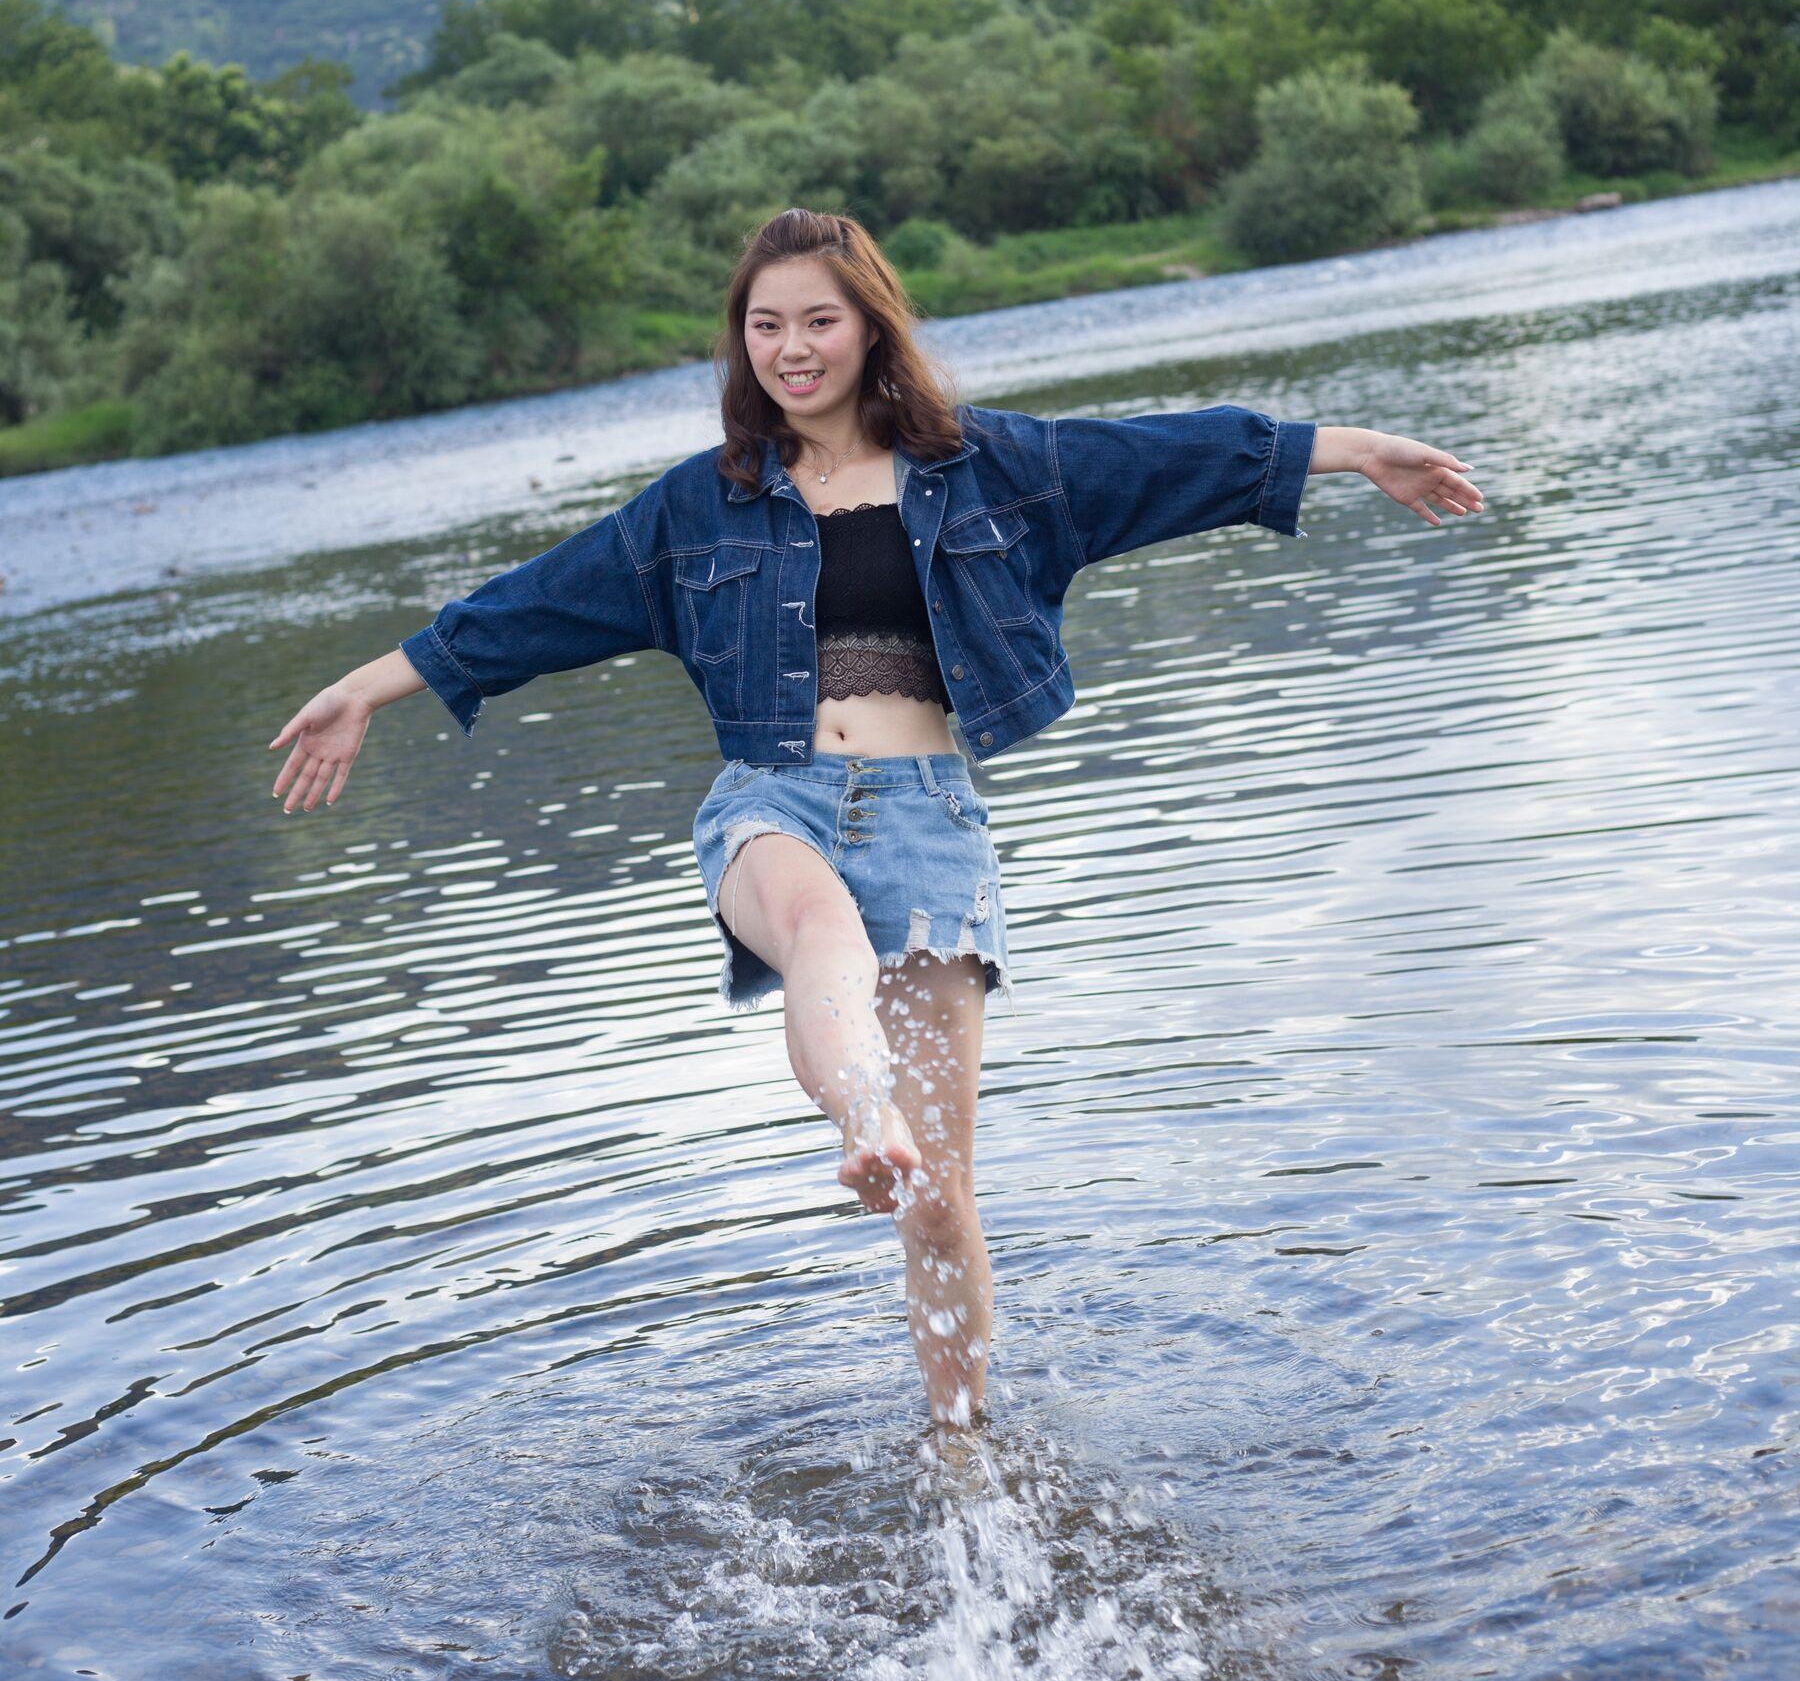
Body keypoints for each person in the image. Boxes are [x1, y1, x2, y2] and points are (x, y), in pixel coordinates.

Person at [271, 207, 1483, 1425]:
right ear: (741, 343)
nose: (792, 349)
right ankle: (864, 1120)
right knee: (820, 934)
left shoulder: (987, 467)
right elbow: (533, 604)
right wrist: (365, 689)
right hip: (773, 796)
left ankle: (960, 1451)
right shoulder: (698, 509)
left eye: (818, 321)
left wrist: (1358, 451)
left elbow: (1162, 459)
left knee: (940, 1203)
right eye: (766, 326)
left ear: (869, 328)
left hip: (927, 822)